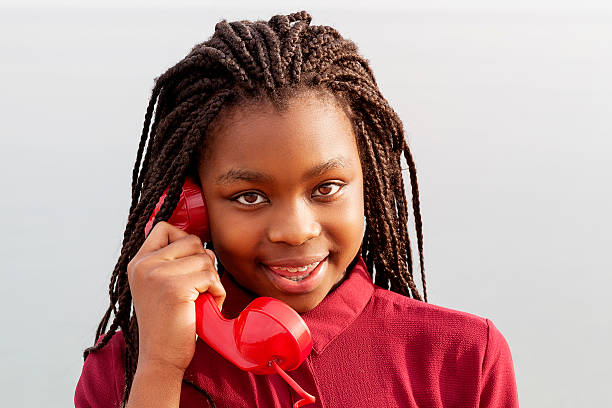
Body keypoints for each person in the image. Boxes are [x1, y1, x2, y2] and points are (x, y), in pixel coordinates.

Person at [75, 10, 519, 408]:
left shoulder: (463, 357)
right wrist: (161, 369)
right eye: (250, 197)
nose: (295, 230)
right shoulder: (123, 371)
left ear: (371, 182)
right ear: (190, 206)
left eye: (326, 188)